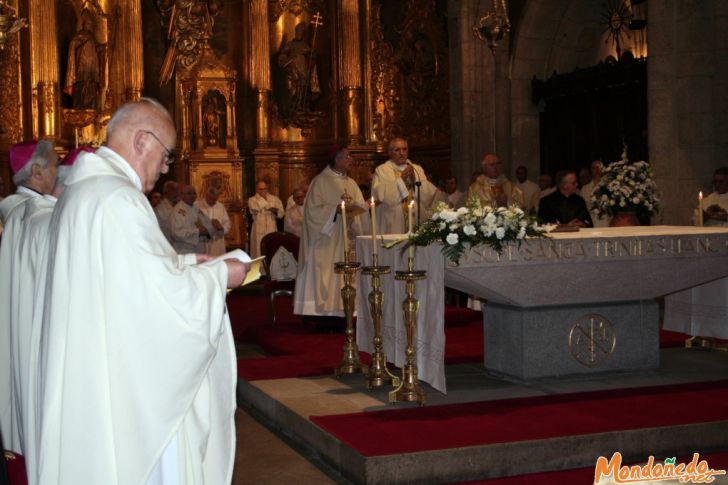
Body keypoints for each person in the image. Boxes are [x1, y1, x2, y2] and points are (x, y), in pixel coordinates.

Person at [38, 98, 247, 485]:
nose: (165, 167)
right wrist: (222, 277)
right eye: (165, 155)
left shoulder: (83, 192)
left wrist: (185, 266)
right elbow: (157, 303)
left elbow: (126, 280)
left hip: (93, 370)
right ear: (141, 141)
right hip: (127, 396)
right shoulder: (118, 198)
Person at [0, 140, 58, 473]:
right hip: (41, 336)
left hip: (21, 331)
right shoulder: (42, 218)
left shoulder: (19, 212)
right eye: (53, 166)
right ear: (36, 171)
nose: (57, 173)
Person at [293, 147, 366, 317]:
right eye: (347, 156)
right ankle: (322, 314)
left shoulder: (351, 183)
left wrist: (360, 210)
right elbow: (312, 212)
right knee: (327, 273)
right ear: (337, 159)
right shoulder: (320, 181)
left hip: (347, 238)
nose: (350, 159)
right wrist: (335, 210)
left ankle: (345, 311)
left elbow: (360, 207)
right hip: (326, 241)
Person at [371, 137, 439, 234]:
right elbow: (383, 197)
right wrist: (401, 179)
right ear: (389, 153)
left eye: (404, 149)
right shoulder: (382, 170)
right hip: (393, 225)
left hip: (416, 222)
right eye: (397, 150)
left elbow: (428, 196)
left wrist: (415, 181)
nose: (402, 153)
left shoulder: (417, 169)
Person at [277, 21, 321, 119]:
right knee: (294, 88)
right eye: (297, 32)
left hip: (303, 68)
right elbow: (282, 55)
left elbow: (312, 54)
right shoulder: (290, 44)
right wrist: (288, 59)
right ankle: (293, 107)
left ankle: (303, 106)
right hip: (293, 69)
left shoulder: (305, 45)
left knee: (304, 86)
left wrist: (312, 55)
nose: (298, 34)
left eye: (300, 32)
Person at [64, 12, 103, 110]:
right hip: (81, 75)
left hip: (92, 76)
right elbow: (71, 59)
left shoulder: (93, 39)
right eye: (88, 22)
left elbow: (99, 51)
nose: (89, 25)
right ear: (84, 23)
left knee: (92, 103)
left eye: (91, 23)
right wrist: (69, 82)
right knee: (81, 102)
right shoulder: (78, 38)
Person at [170, 184, 214, 254]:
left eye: (194, 193)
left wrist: (207, 231)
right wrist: (198, 231)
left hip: (200, 250)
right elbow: (176, 233)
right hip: (184, 250)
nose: (192, 196)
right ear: (182, 195)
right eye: (189, 193)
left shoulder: (197, 209)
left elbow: (208, 224)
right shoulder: (177, 211)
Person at [248, 179, 284, 258]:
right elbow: (255, 208)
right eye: (261, 189)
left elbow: (281, 213)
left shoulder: (274, 199)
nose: (263, 191)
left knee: (271, 247)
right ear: (257, 189)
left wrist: (275, 210)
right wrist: (267, 203)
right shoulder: (252, 200)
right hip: (258, 228)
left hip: (271, 227)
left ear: (267, 188)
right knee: (258, 250)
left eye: (265, 188)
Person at [195, 184, 230, 256]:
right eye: (210, 199)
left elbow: (227, 223)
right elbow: (191, 222)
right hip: (203, 242)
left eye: (215, 199)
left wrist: (221, 228)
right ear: (206, 196)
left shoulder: (220, 206)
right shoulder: (196, 206)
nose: (213, 202)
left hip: (217, 242)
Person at [579, 160, 609, 227]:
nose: (597, 170)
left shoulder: (610, 186)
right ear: (591, 170)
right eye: (594, 168)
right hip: (591, 221)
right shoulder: (585, 188)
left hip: (607, 221)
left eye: (599, 167)